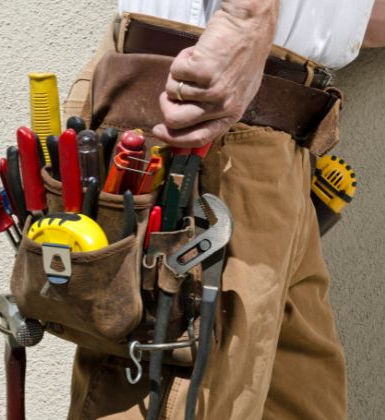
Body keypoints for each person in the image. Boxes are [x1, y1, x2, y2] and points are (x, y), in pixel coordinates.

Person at [62, 1, 385, 419]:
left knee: (303, 401)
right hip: (208, 110)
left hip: (280, 133)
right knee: (176, 389)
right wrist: (244, 21)